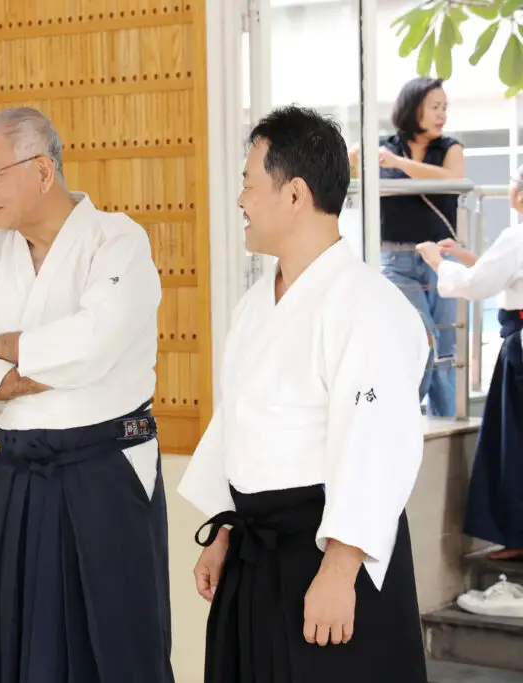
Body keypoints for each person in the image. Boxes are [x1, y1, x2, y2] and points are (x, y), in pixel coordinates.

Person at [178, 106, 430, 683]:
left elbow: (376, 448)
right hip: (256, 548)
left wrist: (341, 571)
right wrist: (224, 532)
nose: (240, 199)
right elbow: (238, 426)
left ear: (294, 194)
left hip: (326, 549)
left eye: (248, 183)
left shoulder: (368, 305)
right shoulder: (253, 305)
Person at [0, 107, 173, 683]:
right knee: (18, 643)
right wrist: (39, 364)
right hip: (20, 474)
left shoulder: (117, 240)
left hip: (105, 473)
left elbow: (98, 343)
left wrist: (10, 348)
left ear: (42, 170)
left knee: (116, 643)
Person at [417, 167, 523, 562]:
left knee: (514, 443)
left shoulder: (516, 236)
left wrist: (436, 261)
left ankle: (517, 534)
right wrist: (467, 258)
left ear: (519, 196)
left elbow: (473, 286)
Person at [373, 77, 465, 417]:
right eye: (435, 107)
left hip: (442, 259)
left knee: (444, 346)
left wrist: (399, 165)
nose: (442, 115)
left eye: (445, 108)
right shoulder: (384, 146)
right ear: (414, 109)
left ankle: (445, 423)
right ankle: (404, 417)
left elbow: (453, 179)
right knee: (420, 340)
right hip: (396, 258)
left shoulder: (450, 148)